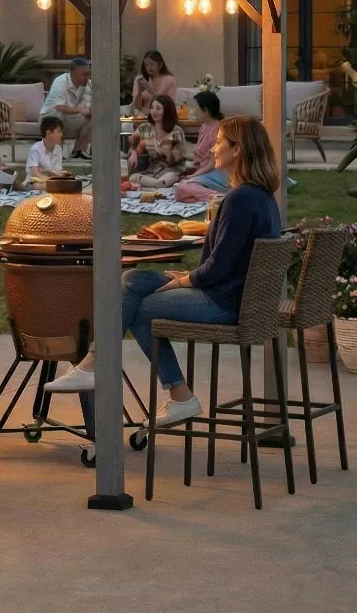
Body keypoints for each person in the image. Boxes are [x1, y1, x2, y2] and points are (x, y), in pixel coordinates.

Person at [46, 116, 282, 427]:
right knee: (134, 279)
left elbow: (219, 267)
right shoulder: (262, 197)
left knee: (138, 309)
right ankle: (101, 366)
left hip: (224, 302)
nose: (213, 148)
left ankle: (122, 374)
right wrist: (185, 279)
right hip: (229, 294)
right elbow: (228, 262)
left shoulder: (241, 199)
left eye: (219, 142)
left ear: (237, 149)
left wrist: (185, 280)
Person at [175, 91, 228, 203]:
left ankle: (220, 198)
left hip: (218, 174)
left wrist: (194, 176)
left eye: (195, 108)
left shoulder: (219, 129)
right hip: (205, 171)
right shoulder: (204, 127)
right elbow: (200, 156)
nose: (192, 111)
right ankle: (209, 195)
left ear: (205, 110)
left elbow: (213, 163)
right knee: (181, 189)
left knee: (183, 189)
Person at [127, 95, 186, 188]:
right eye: (152, 108)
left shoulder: (176, 130)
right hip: (152, 170)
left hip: (171, 170)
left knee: (165, 179)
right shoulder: (145, 128)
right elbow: (132, 141)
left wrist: (164, 151)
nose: (154, 111)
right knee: (132, 177)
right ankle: (155, 184)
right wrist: (134, 152)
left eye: (158, 109)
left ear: (167, 111)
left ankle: (156, 184)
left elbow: (178, 158)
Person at [39, 58, 92, 159]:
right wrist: (81, 110)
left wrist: (91, 110)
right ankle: (56, 152)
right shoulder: (60, 82)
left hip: (70, 119)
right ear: (73, 74)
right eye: (84, 75)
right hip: (49, 119)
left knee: (93, 117)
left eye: (88, 74)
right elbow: (58, 107)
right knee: (56, 115)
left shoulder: (88, 85)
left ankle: (78, 151)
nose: (87, 78)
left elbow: (88, 107)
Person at [131, 50, 177, 115]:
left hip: (161, 116)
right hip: (142, 116)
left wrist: (152, 92)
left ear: (160, 64)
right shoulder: (140, 80)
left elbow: (169, 106)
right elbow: (136, 107)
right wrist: (139, 93)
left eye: (152, 64)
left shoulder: (170, 80)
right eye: (146, 65)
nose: (148, 67)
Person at [25, 116, 64, 183]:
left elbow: (58, 171)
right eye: (59, 131)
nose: (61, 135)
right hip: (34, 182)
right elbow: (35, 173)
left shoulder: (58, 149)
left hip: (51, 181)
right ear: (49, 133)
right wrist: (49, 179)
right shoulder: (35, 149)